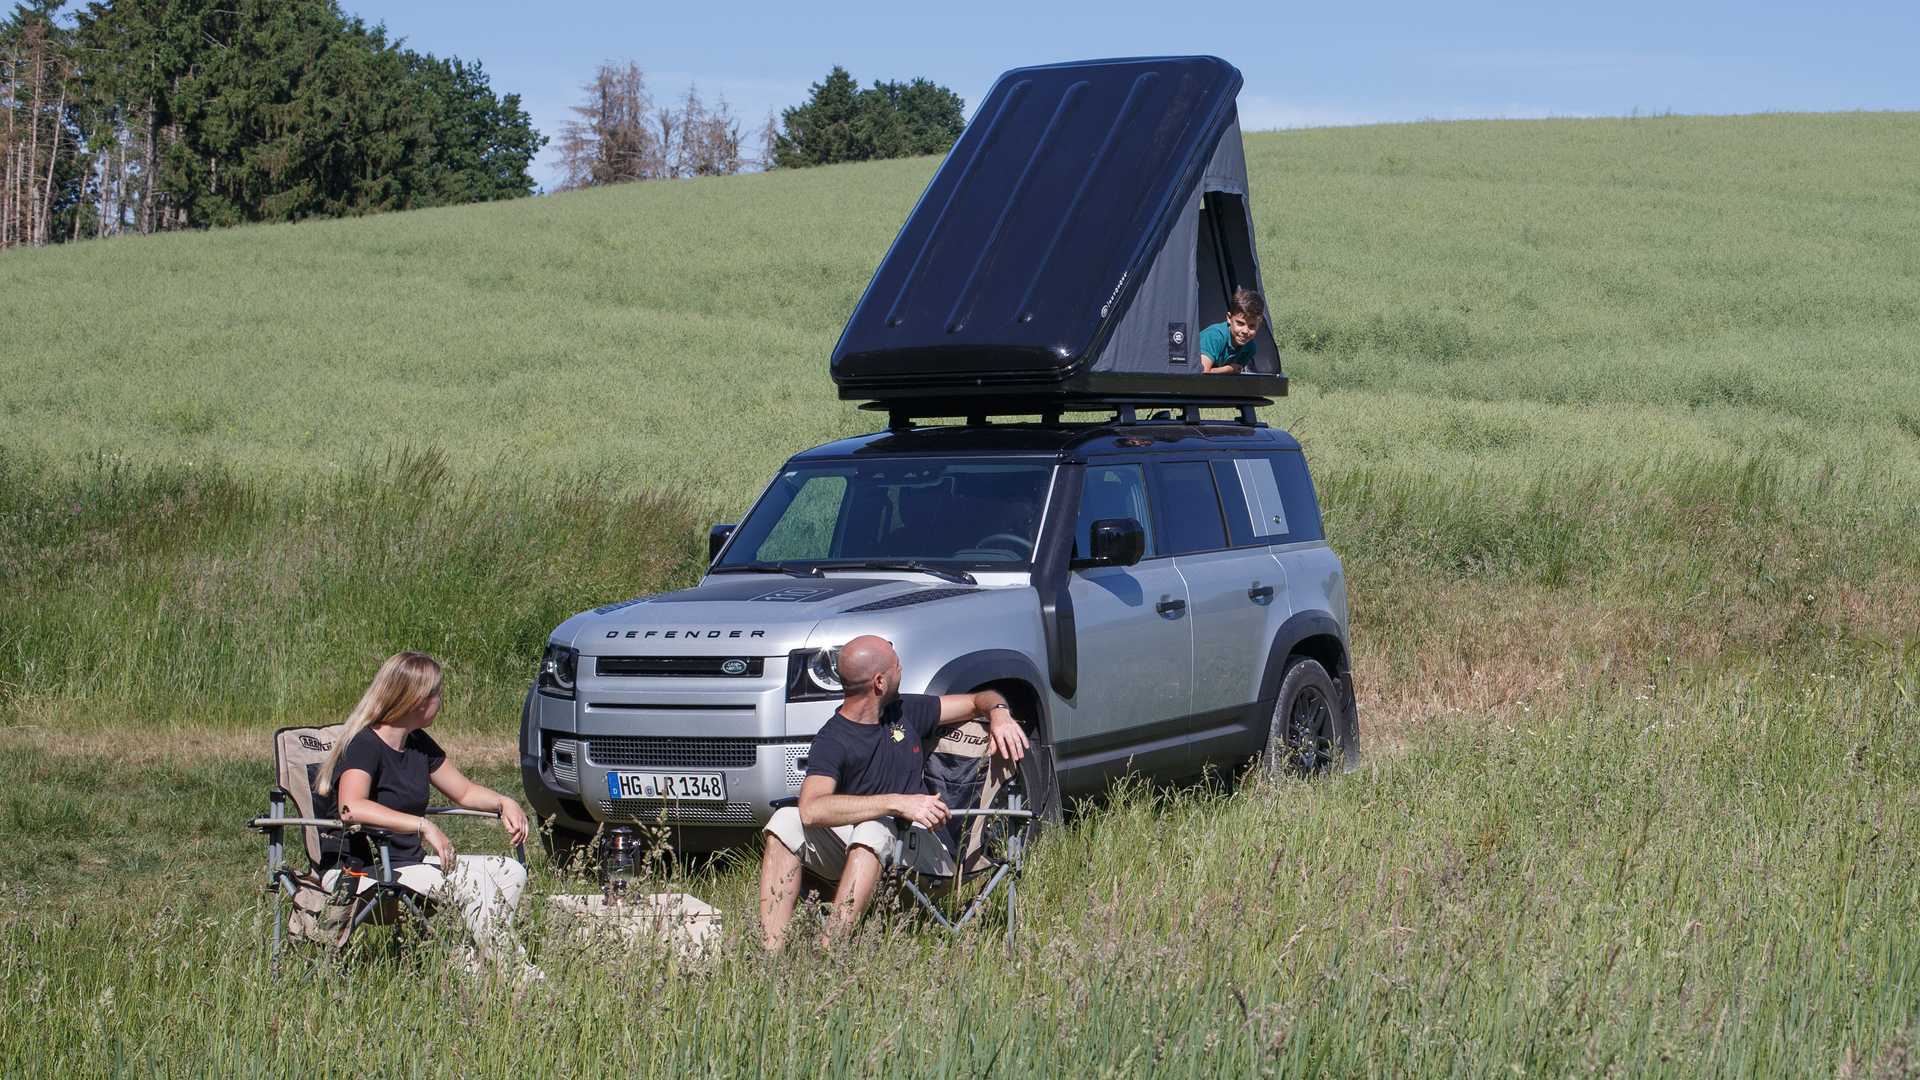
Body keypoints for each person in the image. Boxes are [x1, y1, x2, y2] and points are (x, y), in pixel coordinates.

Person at [758, 635, 1029, 950]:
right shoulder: (832, 740)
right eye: (896, 666)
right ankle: (771, 955)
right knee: (785, 821)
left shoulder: (906, 711)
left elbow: (977, 699)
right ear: (879, 682)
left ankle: (828, 953)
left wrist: (998, 712)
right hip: (866, 849)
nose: (902, 669)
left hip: (928, 856)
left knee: (874, 828)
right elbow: (811, 809)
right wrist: (896, 803)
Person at [312, 650, 538, 977]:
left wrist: (504, 802)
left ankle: (472, 965)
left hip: (405, 864)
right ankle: (519, 978)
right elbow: (352, 807)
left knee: (511, 871)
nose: (441, 702)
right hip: (363, 870)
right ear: (417, 700)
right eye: (437, 695)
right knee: (470, 883)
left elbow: (463, 791)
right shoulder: (364, 744)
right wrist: (422, 826)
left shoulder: (417, 743)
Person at [1199, 287, 1266, 374]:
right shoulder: (1214, 336)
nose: (1245, 331)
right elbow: (1201, 373)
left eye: (1252, 326)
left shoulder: (1249, 348)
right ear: (1229, 318)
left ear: (1259, 324)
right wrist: (1228, 369)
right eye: (1240, 323)